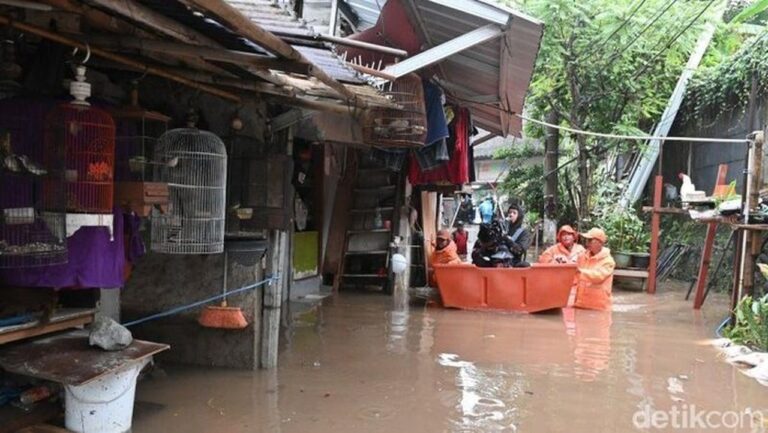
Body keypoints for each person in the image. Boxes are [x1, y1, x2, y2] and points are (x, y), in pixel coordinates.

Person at [573, 228, 615, 311]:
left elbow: (598, 276)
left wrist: (579, 271)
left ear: (600, 243)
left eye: (590, 240)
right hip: (580, 305)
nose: (587, 243)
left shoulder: (608, 261)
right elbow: (574, 277)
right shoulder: (582, 256)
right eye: (586, 240)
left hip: (599, 308)